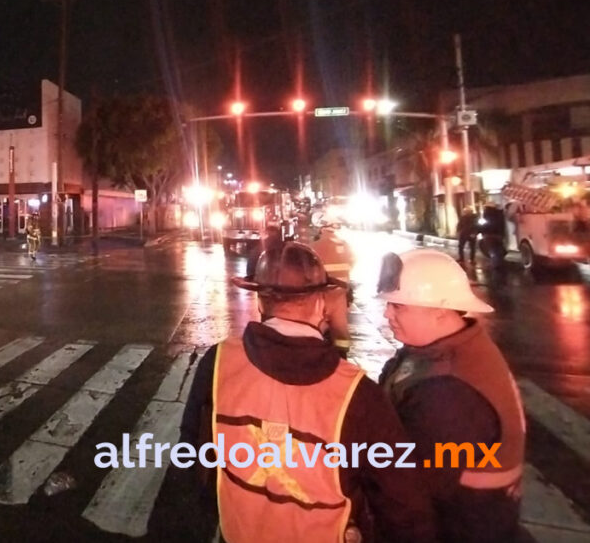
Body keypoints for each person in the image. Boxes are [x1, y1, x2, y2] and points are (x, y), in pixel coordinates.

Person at [181, 241, 437, 543]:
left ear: (262, 302)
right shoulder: (357, 394)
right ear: (320, 304)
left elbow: (192, 453)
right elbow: (403, 505)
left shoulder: (219, 361)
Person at [378, 249, 525, 543]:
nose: (387, 314)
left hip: (455, 528)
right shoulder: (445, 348)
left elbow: (409, 486)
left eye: (398, 306)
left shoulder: (448, 392)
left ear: (440, 312)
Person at [309, 225, 354, 350]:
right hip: (341, 291)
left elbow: (308, 267)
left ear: (322, 230)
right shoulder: (344, 244)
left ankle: (321, 351)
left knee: (318, 322)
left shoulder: (314, 246)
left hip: (320, 291)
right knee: (340, 326)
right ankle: (342, 355)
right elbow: (352, 261)